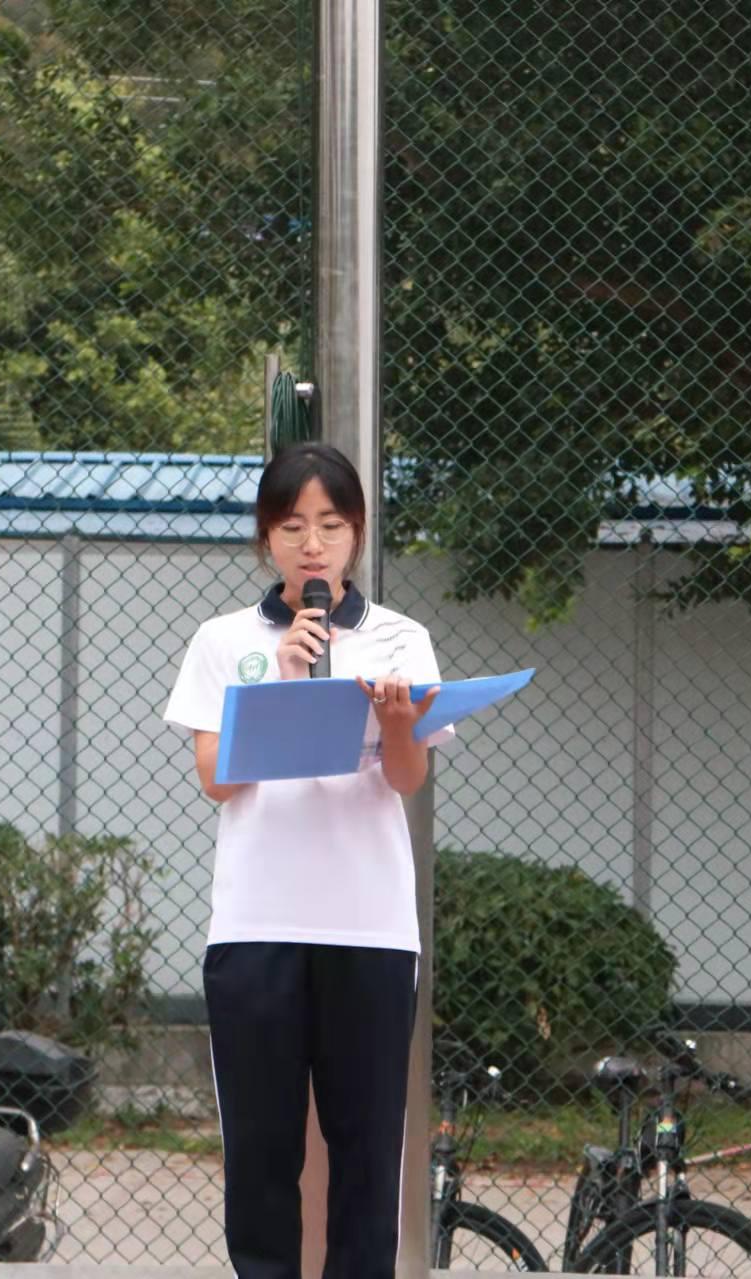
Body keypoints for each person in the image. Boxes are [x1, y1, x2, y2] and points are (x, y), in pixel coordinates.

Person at [162, 441, 452, 1279]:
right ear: (267, 538)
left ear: (358, 532)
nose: (313, 544)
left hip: (370, 927)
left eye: (331, 524)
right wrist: (281, 684)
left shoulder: (401, 638)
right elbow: (217, 778)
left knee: (368, 1149)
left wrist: (397, 724)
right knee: (261, 1148)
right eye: (292, 526)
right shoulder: (224, 641)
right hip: (257, 925)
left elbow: (405, 778)